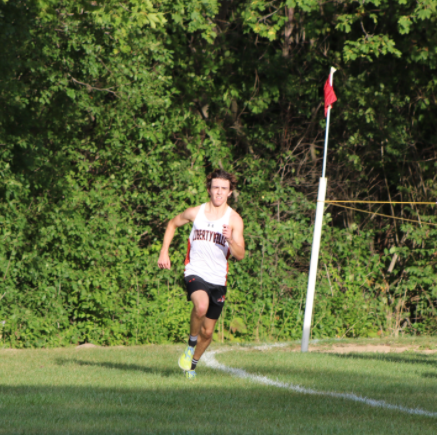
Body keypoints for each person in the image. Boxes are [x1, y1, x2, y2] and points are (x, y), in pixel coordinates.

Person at [157, 169, 245, 379]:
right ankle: (190, 346)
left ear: (230, 192)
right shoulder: (195, 213)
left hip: (218, 279)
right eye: (215, 188)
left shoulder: (234, 219)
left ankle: (192, 365)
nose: (219, 192)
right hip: (195, 271)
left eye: (224, 189)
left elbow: (240, 255)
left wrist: (230, 240)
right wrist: (164, 250)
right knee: (201, 306)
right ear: (209, 189)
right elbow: (172, 224)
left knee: (208, 333)